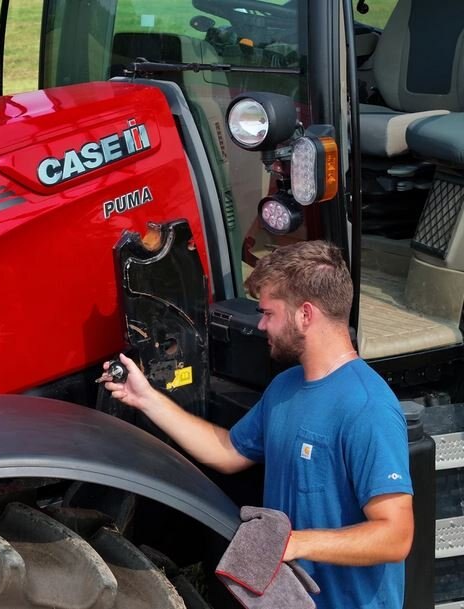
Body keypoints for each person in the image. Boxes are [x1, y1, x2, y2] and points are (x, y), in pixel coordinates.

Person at [103, 240, 414, 609]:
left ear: (305, 315)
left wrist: (296, 543)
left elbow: (396, 535)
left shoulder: (367, 407)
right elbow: (228, 451)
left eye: (269, 313)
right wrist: (145, 398)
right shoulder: (285, 388)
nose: (261, 324)